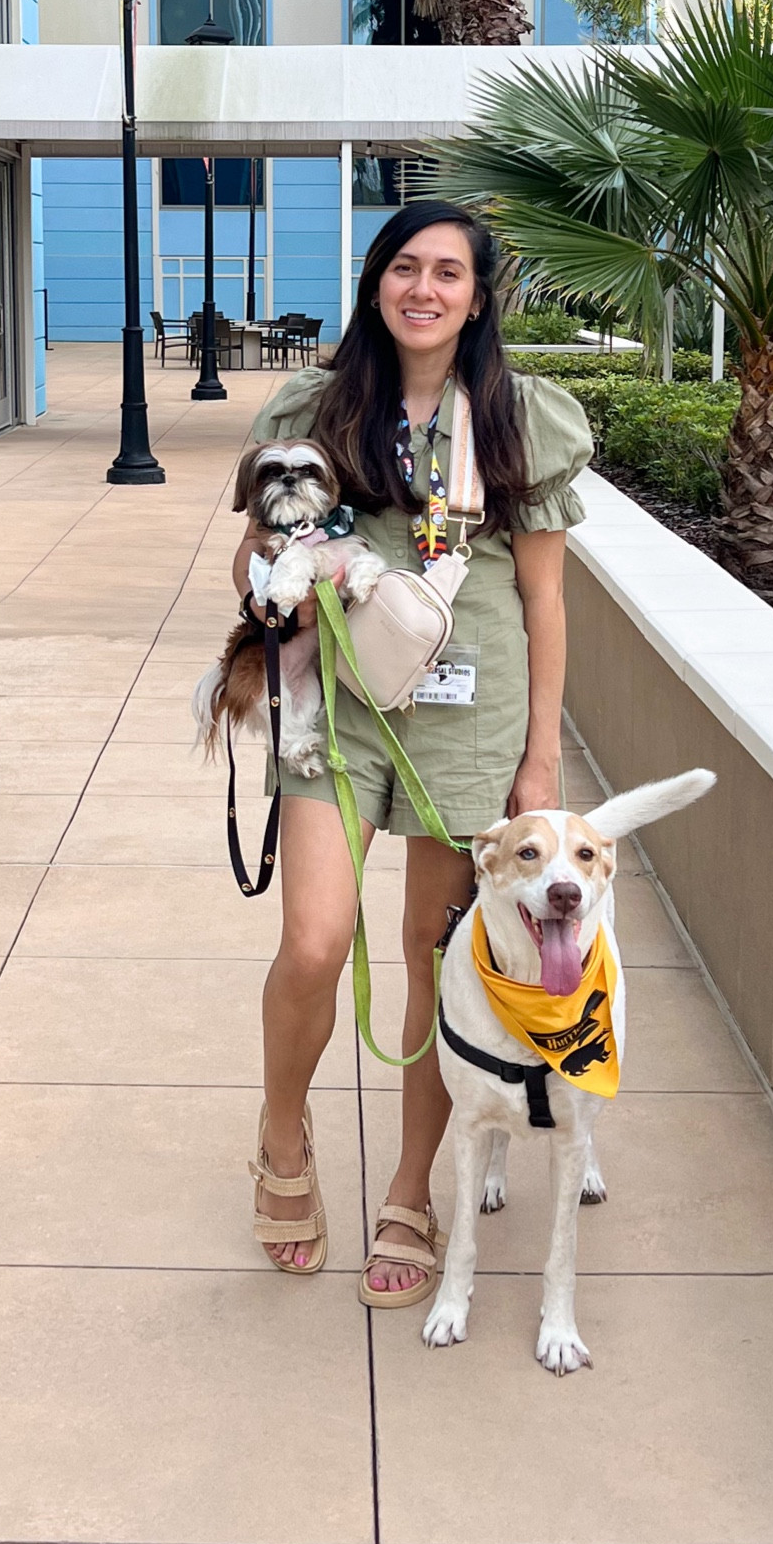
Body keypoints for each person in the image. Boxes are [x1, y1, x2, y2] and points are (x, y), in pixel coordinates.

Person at [235, 198, 593, 1305]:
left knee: (437, 966)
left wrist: (537, 765)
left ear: (479, 296)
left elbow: (543, 600)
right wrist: (275, 596)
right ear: (376, 284)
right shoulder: (314, 406)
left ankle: (409, 1188)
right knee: (314, 941)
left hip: (470, 715)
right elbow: (257, 554)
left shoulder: (522, 420)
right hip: (335, 704)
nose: (422, 288)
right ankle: (283, 1134)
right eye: (403, 267)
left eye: (447, 272)